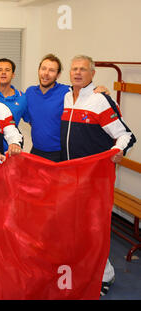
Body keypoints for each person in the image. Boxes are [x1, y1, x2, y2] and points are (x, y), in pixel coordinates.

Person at [61, 55, 136, 296]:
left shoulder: (100, 100)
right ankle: (83, 267)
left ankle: (106, 275)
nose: (78, 72)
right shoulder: (67, 97)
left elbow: (126, 135)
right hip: (70, 175)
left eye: (83, 69)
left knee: (95, 228)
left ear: (93, 74)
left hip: (94, 178)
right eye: (74, 69)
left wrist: (117, 151)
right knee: (76, 227)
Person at [25, 53, 109, 162]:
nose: (46, 73)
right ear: (39, 70)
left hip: (59, 154)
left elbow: (84, 90)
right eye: (43, 69)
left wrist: (99, 89)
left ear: (58, 74)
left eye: (51, 70)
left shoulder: (66, 91)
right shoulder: (30, 92)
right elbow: (30, 119)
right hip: (36, 151)